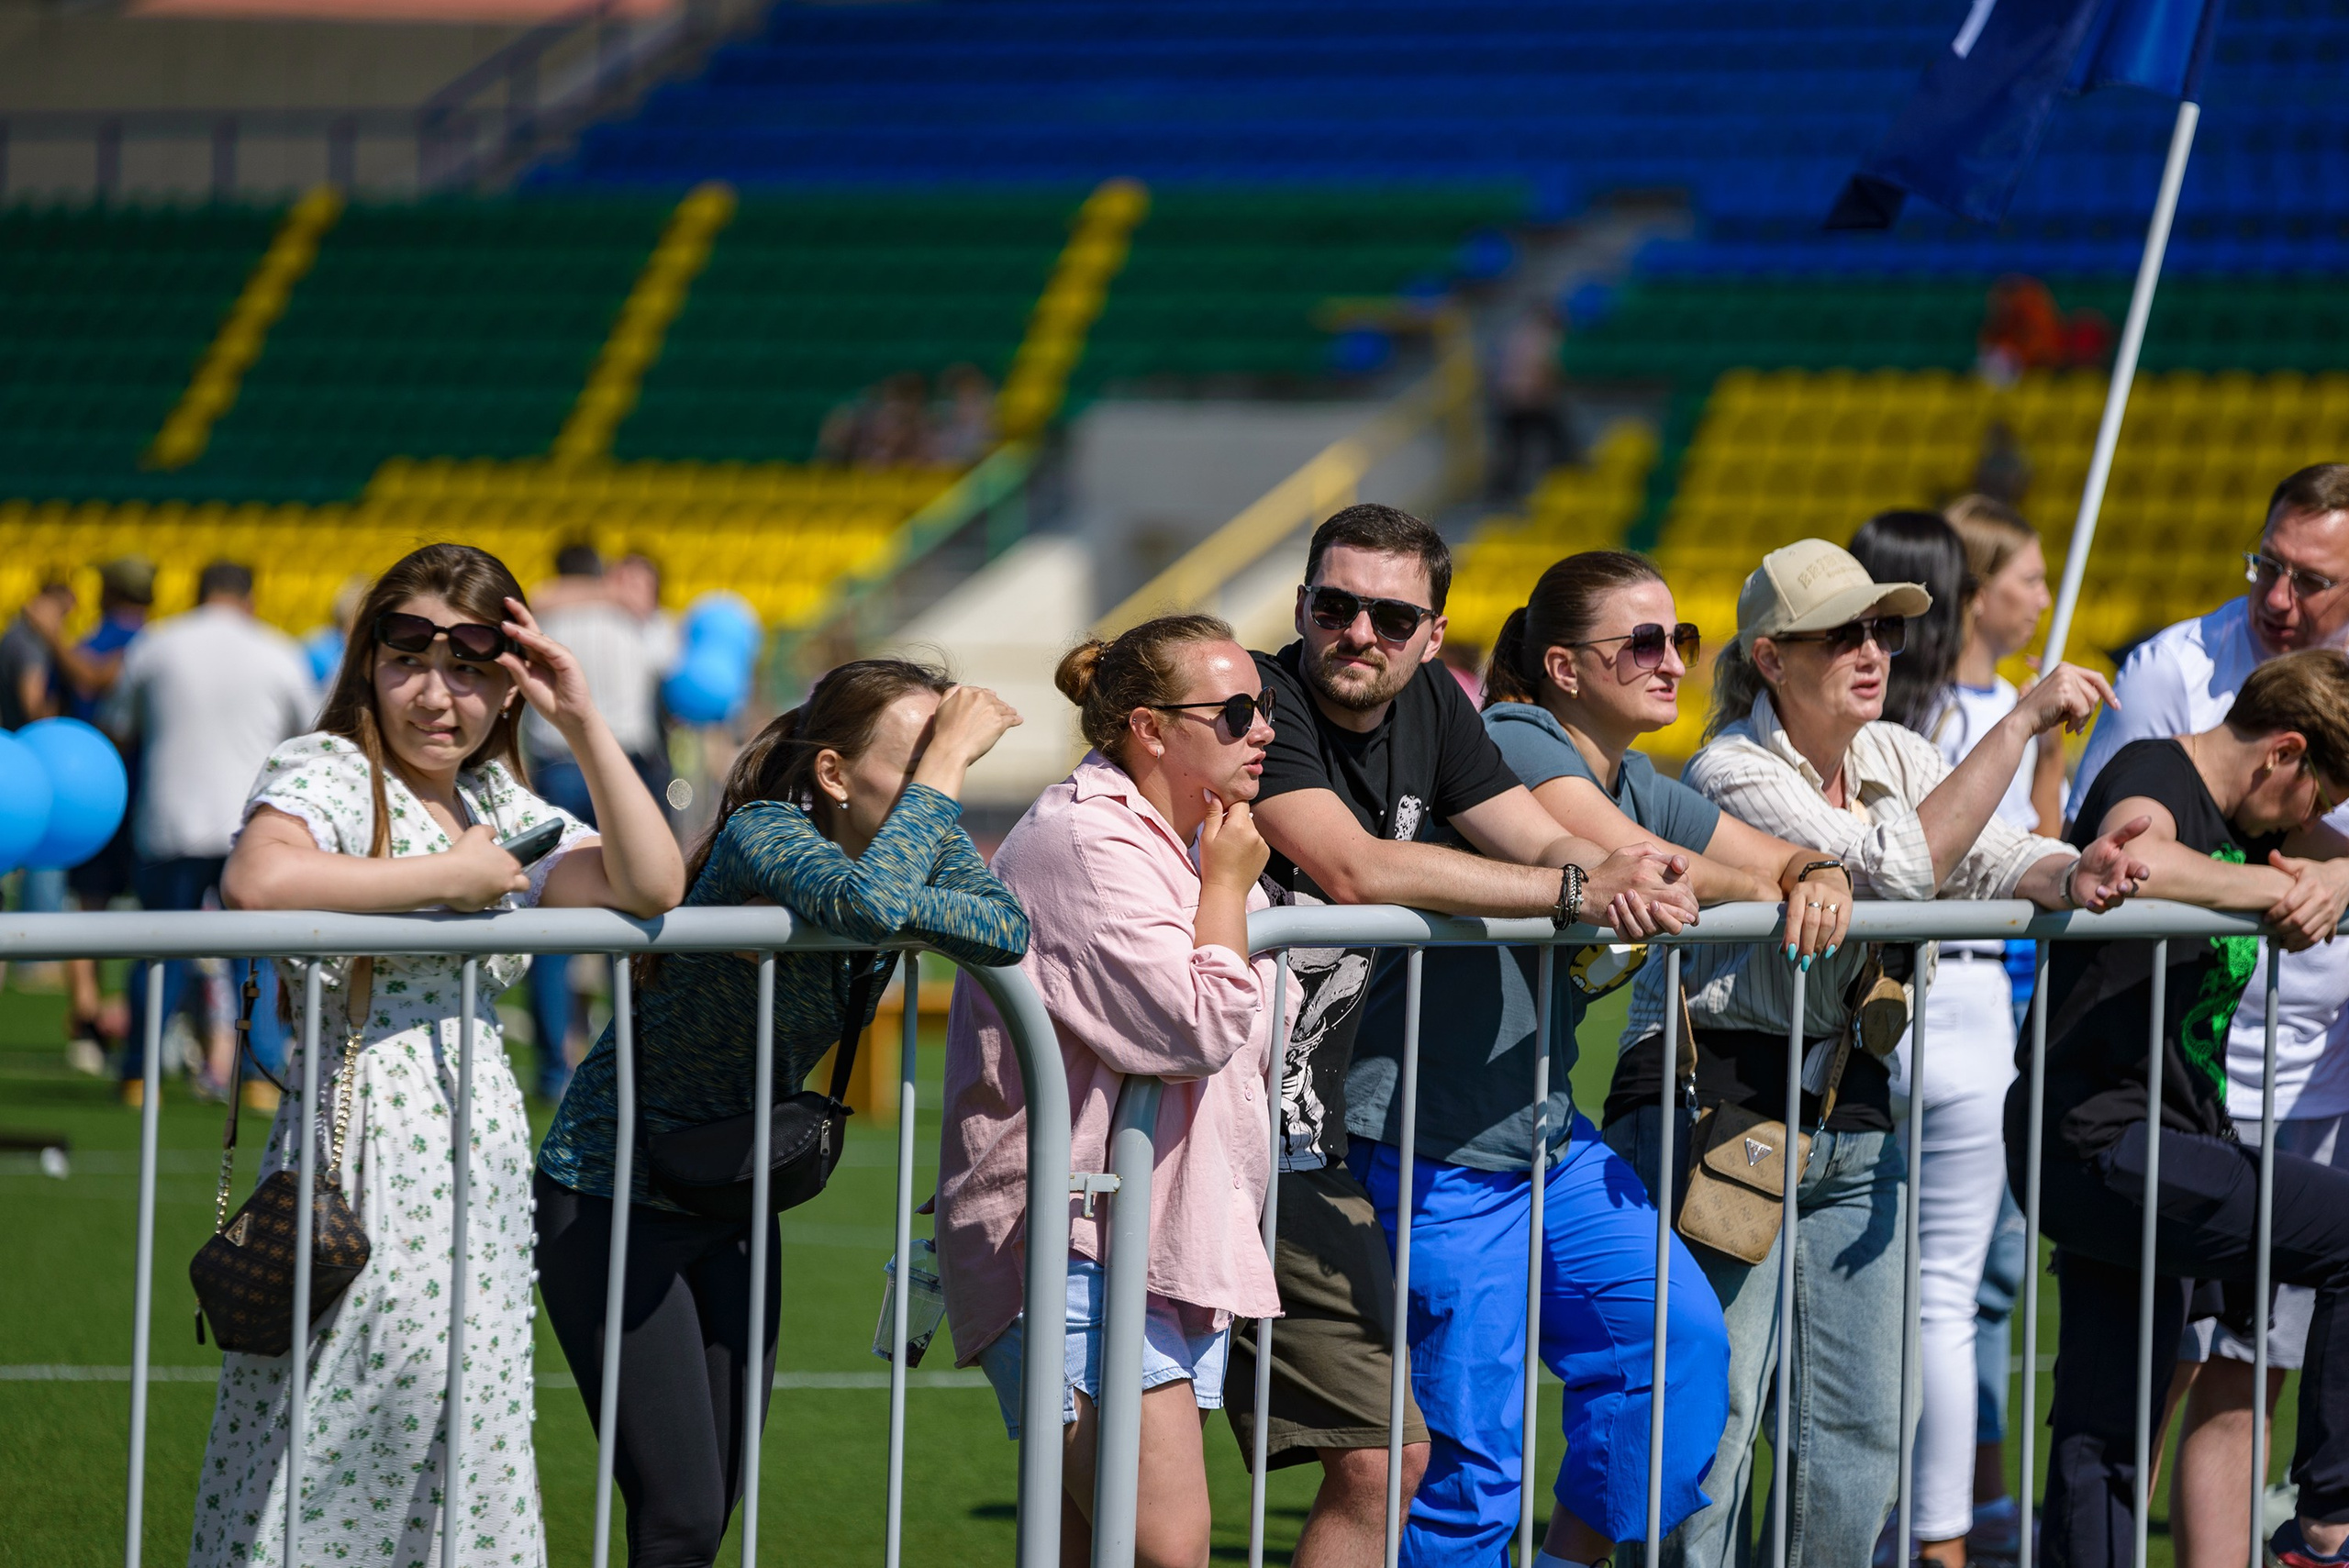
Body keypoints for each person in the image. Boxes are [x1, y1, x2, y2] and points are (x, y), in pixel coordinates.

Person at [1602, 538, 2151, 1567]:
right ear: (1770, 658)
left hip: (1851, 1109)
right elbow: (1897, 872)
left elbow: (1995, 856)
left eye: (1883, 629)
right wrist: (2019, 723)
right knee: (1711, 1421)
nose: (1871, 650)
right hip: (1724, 1102)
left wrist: (2075, 870)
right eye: (1841, 633)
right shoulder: (1728, 767)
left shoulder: (1896, 752)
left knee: (1860, 1432)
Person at [1346, 548, 1858, 1566]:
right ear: (1564, 667)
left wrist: (1813, 867)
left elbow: (1749, 857)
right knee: (1469, 1465)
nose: (1672, 661)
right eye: (1644, 641)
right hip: (1428, 1149)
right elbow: (1640, 863)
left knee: (1677, 1351)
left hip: (1540, 1141)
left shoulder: (1638, 779)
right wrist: (1780, 874)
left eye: (1682, 639)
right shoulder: (1513, 736)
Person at [191, 541, 683, 1568]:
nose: (434, 695)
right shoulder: (327, 767)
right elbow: (257, 880)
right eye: (408, 659)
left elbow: (650, 882)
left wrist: (581, 719)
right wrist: (445, 882)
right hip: (362, 1139)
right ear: (367, 662)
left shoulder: (498, 800)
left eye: (467, 669)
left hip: (479, 1149)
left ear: (506, 689)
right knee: (335, 1429)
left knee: (466, 1423)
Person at [1227, 503, 1698, 1568]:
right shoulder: (1259, 700)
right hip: (1197, 1116)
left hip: (1311, 1128)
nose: (1360, 632)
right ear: (1300, 606)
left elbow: (1526, 833)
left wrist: (1608, 871)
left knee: (1664, 1348)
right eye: (1336, 605)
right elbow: (1351, 866)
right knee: (1145, 1483)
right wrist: (1579, 885)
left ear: (1433, 634)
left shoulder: (1434, 699)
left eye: (1393, 616)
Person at [538, 658, 1025, 1567]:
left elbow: (1005, 927)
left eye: (944, 755)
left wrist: (906, 875)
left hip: (732, 1190)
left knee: (713, 1502)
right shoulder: (765, 830)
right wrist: (939, 792)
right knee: (679, 1515)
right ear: (833, 772)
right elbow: (869, 906)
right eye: (917, 756)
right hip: (611, 1191)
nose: (936, 779)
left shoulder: (911, 842)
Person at [937, 616, 1285, 1568]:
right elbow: (1198, 1027)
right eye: (1237, 711)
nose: (1263, 728)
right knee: (1166, 1546)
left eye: (1264, 706)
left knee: (1094, 1545)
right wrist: (1228, 888)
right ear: (1150, 728)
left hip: (1162, 1231)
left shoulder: (1200, 836)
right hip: (1074, 1240)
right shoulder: (1084, 839)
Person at [2068, 464, 2349, 1566]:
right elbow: (2111, 845)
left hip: (2312, 1067)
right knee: (2149, 1366)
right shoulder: (2173, 670)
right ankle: (2317, 1525)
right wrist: (2276, 886)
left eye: (2311, 580)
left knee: (2248, 1363)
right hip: (2173, 1076)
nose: (2276, 597)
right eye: (2266, 564)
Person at [1846, 511, 2030, 1568]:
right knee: (1947, 1301)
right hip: (1965, 1003)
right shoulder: (1988, 713)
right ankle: (1939, 1540)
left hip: (1868, 1001)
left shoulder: (1854, 724)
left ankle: (1868, 1525)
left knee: (1848, 1295)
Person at [1941, 493, 2065, 1567]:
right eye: (2027, 576)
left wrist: (2050, 752)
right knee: (1950, 1274)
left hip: (2022, 1007)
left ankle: (1974, 1492)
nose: (2042, 595)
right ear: (1977, 592)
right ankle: (1957, 1500)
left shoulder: (2017, 705)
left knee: (1998, 1268)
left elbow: (2040, 844)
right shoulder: (1933, 712)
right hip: (1952, 1004)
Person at [106, 561, 317, 1106]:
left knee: (161, 952)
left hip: (169, 820)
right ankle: (258, 1075)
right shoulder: (278, 650)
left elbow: (120, 726)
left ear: (197, 592)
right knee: (253, 958)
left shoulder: (156, 645)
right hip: (252, 827)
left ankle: (138, 1074)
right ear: (250, 597)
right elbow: (310, 737)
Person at [523, 542, 680, 1100]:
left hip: (591, 769)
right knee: (625, 923)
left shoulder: (561, 614)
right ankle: (628, 1061)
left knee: (571, 924)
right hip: (610, 771)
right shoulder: (634, 618)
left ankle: (566, 1067)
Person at [30, 557, 151, 1073]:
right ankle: (94, 1019)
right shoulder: (145, 640)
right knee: (122, 908)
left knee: (92, 907)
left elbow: (90, 680)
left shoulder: (133, 645)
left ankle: (105, 1020)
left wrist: (51, 636)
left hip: (103, 795)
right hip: (121, 794)